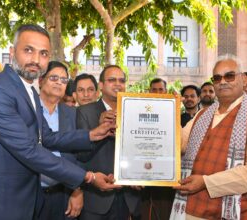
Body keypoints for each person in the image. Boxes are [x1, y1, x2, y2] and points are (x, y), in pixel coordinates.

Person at [0, 24, 121, 220]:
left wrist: (91, 135)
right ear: (12, 52)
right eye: (28, 50)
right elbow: (29, 150)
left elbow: (47, 137)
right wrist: (88, 177)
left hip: (25, 199)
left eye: (43, 54)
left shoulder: (29, 91)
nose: (35, 60)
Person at [171, 55, 247, 219]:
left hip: (237, 212)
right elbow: (179, 143)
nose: (222, 81)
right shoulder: (203, 114)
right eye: (217, 78)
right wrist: (166, 112)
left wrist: (207, 182)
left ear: (242, 79)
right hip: (192, 209)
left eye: (229, 76)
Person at [76, 65, 141, 220]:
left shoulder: (135, 111)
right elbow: (81, 155)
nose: (118, 84)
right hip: (97, 198)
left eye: (121, 80)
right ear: (101, 85)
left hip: (129, 196)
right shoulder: (85, 112)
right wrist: (101, 130)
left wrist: (142, 174)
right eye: (112, 80)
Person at [37, 61, 83, 220]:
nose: (59, 82)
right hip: (31, 193)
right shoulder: (27, 108)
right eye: (54, 77)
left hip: (63, 194)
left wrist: (77, 190)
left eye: (64, 80)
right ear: (40, 80)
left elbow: (78, 156)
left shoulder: (73, 114)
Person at [140, 78, 175, 220]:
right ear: (149, 91)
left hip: (165, 173)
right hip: (142, 173)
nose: (158, 92)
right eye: (154, 90)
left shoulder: (172, 113)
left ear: (166, 92)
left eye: (161, 90)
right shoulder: (139, 111)